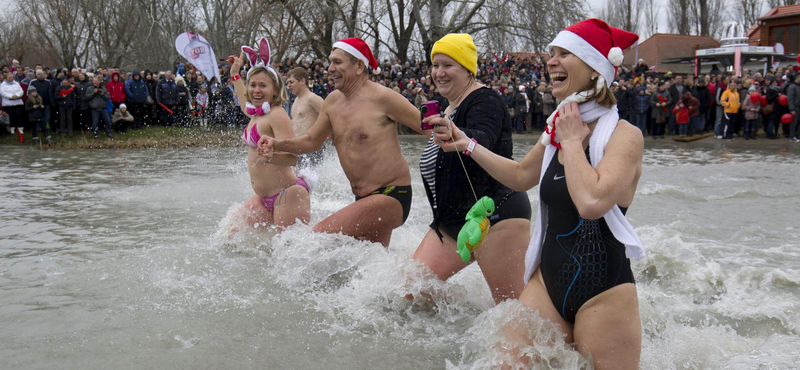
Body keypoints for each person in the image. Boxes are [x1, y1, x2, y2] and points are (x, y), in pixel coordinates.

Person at [432, 19, 644, 369]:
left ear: (594, 69)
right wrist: (466, 144)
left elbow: (592, 202)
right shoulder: (557, 129)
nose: (551, 61)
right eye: (551, 54)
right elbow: (519, 177)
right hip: (545, 284)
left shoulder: (624, 136)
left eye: (565, 54)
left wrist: (574, 141)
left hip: (604, 294)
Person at [258, 37, 423, 247]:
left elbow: (427, 127)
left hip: (391, 195)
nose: (330, 68)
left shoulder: (383, 97)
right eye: (330, 62)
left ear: (359, 66)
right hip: (362, 198)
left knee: (312, 241)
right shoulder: (332, 102)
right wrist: (277, 144)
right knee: (367, 267)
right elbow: (311, 141)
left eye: (337, 62)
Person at [413, 33, 532, 304]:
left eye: (448, 65)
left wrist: (461, 134)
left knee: (514, 311)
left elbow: (484, 136)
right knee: (411, 291)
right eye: (435, 65)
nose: (439, 73)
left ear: (468, 69)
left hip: (495, 214)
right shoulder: (448, 108)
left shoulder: (485, 100)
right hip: (453, 220)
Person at [228, 38, 311, 229]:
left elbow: (292, 158)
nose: (256, 90)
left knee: (286, 256)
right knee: (230, 240)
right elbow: (243, 101)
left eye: (263, 86)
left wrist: (272, 156)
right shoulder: (256, 114)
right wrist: (235, 74)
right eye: (253, 85)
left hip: (287, 193)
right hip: (263, 197)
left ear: (275, 90)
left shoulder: (277, 115)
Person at [286, 67, 325, 167]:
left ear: (302, 81)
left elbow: (329, 116)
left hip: (311, 147)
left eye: (291, 82)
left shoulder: (312, 98)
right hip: (298, 147)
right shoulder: (296, 101)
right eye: (288, 83)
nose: (289, 85)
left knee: (310, 179)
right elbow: (296, 123)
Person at [1, 72, 25, 139]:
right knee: (10, 115)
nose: (11, 78)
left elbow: (21, 91)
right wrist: (11, 96)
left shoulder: (16, 83)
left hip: (17, 102)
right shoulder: (3, 85)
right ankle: (12, 128)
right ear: (6, 77)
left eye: (12, 77)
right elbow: (3, 92)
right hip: (8, 103)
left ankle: (20, 127)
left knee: (18, 115)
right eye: (9, 77)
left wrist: (17, 95)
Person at [788, 73, 800, 142]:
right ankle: (792, 136)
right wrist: (792, 108)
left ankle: (798, 135)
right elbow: (790, 98)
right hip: (795, 107)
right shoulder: (792, 86)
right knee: (794, 122)